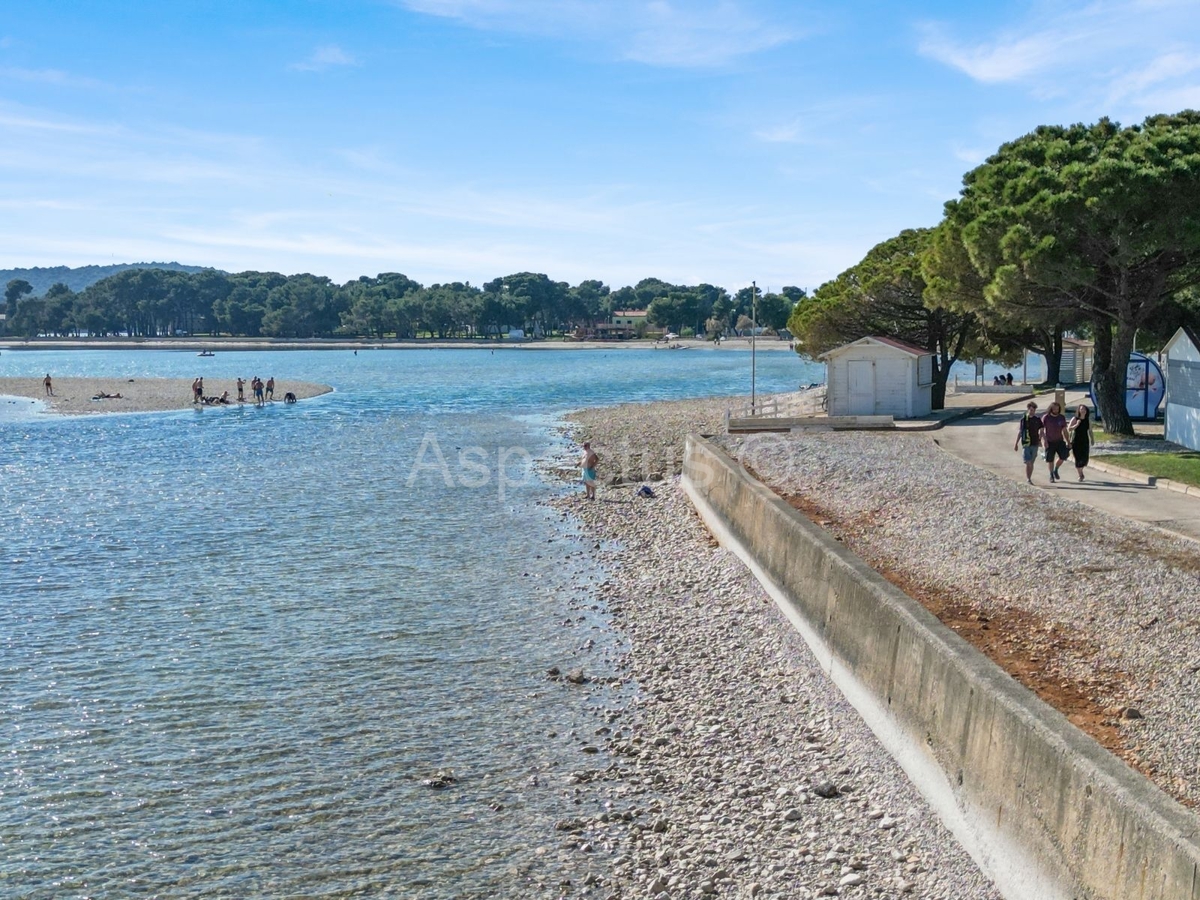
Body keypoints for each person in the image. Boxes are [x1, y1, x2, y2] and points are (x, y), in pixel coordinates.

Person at [1013, 401, 1044, 484]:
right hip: (1026, 443)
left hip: (1035, 443)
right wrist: (1016, 443)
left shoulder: (1037, 420)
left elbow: (1041, 430)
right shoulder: (1024, 420)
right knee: (1028, 462)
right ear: (1028, 410)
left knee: (1032, 462)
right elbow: (1020, 431)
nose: (1032, 411)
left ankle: (1029, 477)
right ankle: (1028, 479)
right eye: (1030, 410)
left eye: (1033, 410)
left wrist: (1040, 439)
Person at [1041, 401, 1070, 482]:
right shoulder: (1046, 417)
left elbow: (1064, 430)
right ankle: (1051, 475)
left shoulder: (1061, 417)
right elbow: (1041, 430)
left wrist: (1068, 441)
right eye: (1054, 409)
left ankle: (1056, 469)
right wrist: (1044, 441)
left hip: (1059, 440)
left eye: (1057, 409)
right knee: (1050, 460)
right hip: (1049, 441)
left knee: (1063, 456)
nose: (1056, 410)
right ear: (1051, 409)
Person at [1068, 404, 1094, 481]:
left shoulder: (1087, 420)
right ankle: (1081, 475)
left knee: (1085, 458)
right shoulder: (1075, 419)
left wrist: (1092, 439)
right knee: (1078, 458)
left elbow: (1090, 431)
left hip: (1085, 440)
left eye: (1084, 409)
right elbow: (1069, 429)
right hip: (1076, 440)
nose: (1083, 411)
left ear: (1086, 411)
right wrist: (1077, 424)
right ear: (1078, 410)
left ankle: (1081, 471)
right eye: (1081, 409)